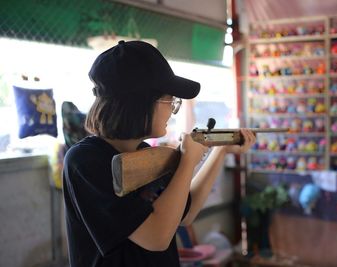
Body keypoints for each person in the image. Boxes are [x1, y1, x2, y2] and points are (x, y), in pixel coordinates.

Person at [62, 40, 256, 267]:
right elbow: (156, 237)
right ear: (140, 104)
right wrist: (187, 162)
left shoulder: (144, 155)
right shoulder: (85, 161)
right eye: (169, 100)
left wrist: (221, 151)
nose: (172, 108)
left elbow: (186, 213)